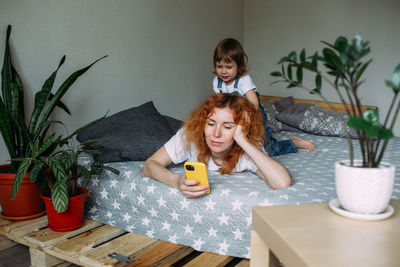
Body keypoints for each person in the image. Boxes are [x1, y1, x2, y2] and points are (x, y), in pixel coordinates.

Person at [142, 93, 292, 198]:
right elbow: (149, 165)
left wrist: (242, 139)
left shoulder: (248, 147)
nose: (216, 133)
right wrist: (177, 181)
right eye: (211, 124)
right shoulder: (189, 135)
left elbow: (282, 182)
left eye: (227, 127)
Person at [212, 38, 315, 156]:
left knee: (269, 150)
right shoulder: (217, 81)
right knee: (236, 147)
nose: (223, 71)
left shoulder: (243, 81)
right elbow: (218, 102)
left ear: (239, 66)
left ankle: (293, 143)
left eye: (229, 67)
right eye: (219, 66)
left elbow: (254, 104)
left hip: (254, 116)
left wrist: (246, 120)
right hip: (233, 118)